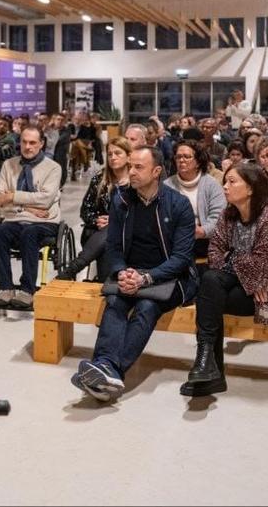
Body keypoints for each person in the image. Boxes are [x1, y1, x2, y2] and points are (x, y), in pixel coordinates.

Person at [70, 148, 198, 402]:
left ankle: (110, 371)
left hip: (171, 277)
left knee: (147, 305)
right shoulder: (122, 200)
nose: (131, 172)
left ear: (156, 171)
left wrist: (146, 278)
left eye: (138, 167)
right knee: (116, 301)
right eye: (130, 166)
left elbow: (181, 258)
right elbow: (114, 246)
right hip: (130, 272)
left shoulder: (178, 204)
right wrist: (121, 271)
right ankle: (105, 370)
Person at [184, 163, 268, 397]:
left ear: (251, 188)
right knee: (211, 285)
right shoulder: (229, 213)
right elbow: (214, 252)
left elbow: (263, 268)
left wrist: (232, 257)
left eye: (232, 181)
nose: (225, 186)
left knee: (210, 291)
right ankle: (207, 365)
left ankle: (209, 369)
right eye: (225, 181)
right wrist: (244, 265)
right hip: (246, 288)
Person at [0, 127, 63, 310]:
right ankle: (6, 287)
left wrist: (13, 196)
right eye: (24, 142)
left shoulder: (53, 168)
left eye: (32, 143)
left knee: (30, 232)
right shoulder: (8, 165)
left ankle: (28, 290)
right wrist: (26, 206)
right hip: (14, 218)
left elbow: (45, 201)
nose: (27, 147)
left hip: (44, 221)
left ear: (41, 144)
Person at [58, 136, 132, 282]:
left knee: (111, 231)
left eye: (118, 153)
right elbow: (85, 210)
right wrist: (96, 219)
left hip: (127, 232)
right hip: (97, 233)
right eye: (110, 154)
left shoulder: (136, 180)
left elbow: (140, 212)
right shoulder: (100, 178)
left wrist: (115, 220)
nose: (113, 158)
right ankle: (104, 285)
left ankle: (76, 268)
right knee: (108, 238)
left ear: (129, 156)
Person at [163, 140, 226, 258]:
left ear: (198, 162)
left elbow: (219, 218)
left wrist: (202, 231)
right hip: (174, 239)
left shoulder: (211, 184)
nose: (181, 160)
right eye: (178, 157)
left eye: (187, 157)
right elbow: (163, 218)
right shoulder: (167, 185)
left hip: (204, 239)